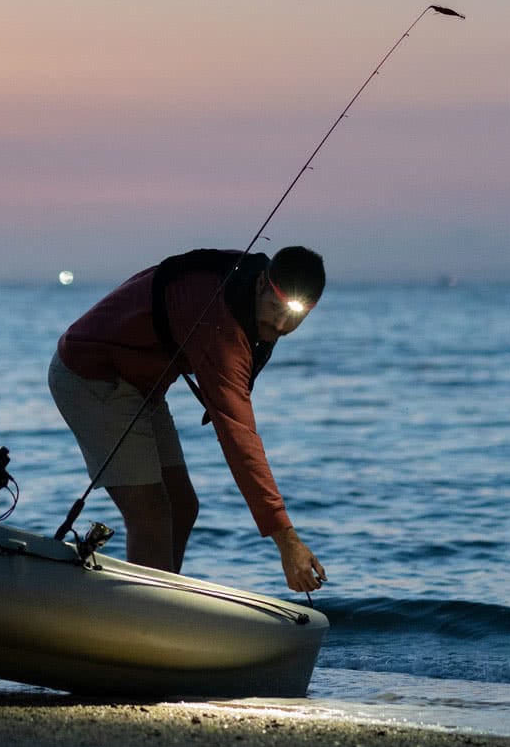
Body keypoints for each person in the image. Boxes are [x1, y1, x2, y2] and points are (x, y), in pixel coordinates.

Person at [47, 245, 327, 593]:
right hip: (91, 376)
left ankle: (161, 600)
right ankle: (146, 619)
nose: (279, 326)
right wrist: (287, 541)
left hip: (141, 386)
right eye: (273, 310)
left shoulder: (248, 290)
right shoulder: (220, 322)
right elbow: (239, 439)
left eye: (293, 319)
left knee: (182, 507)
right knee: (150, 516)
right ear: (260, 285)